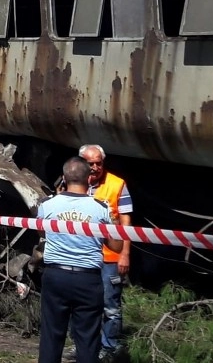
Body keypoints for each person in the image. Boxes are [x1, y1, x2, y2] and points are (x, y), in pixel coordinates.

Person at [36, 156, 123, 363]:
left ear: (64, 178)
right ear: (89, 179)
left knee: (51, 335)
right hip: (88, 279)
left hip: (56, 275)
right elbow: (116, 246)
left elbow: (41, 233)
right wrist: (114, 219)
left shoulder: (47, 205)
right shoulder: (101, 208)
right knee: (88, 338)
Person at [80, 144, 133, 359]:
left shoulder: (117, 184)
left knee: (110, 306)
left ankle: (109, 348)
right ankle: (84, 345)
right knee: (83, 305)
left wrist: (125, 254)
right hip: (82, 255)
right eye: (90, 163)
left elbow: (126, 223)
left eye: (98, 163)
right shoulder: (72, 182)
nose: (94, 167)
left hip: (109, 257)